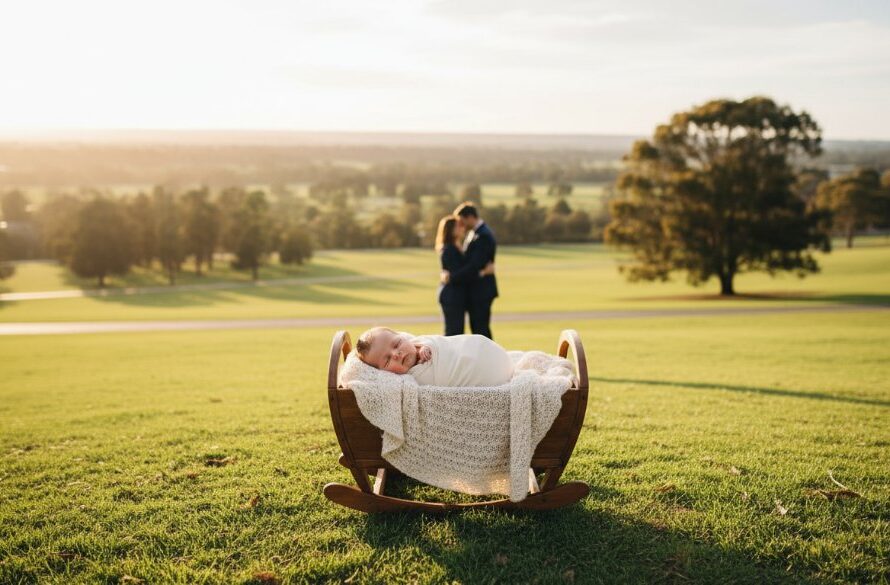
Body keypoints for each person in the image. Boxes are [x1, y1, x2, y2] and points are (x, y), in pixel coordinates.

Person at [354, 326, 514, 387]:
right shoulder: (404, 382)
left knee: (476, 350)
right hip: (485, 375)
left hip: (482, 351)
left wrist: (425, 346)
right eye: (387, 360)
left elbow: (439, 343)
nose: (396, 354)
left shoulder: (418, 343)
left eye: (396, 344)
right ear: (383, 373)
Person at [435, 215, 494, 336]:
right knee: (453, 333)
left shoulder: (458, 247)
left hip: (457, 296)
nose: (462, 228)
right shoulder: (448, 249)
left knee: (457, 333)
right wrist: (482, 272)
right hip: (451, 296)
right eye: (458, 226)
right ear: (451, 230)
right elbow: (457, 276)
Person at [447, 202, 498, 339]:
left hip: (481, 291)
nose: (461, 225)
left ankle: (489, 359)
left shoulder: (483, 235)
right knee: (477, 329)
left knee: (481, 330)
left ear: (470, 217)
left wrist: (452, 277)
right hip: (476, 290)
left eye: (462, 221)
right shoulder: (475, 233)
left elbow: (474, 265)